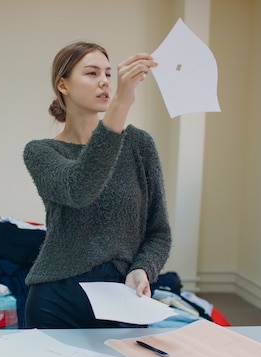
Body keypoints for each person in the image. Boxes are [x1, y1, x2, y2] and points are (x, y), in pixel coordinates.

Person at [23, 41, 172, 329]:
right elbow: (80, 188)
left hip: (124, 298)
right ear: (63, 85)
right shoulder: (40, 152)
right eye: (92, 73)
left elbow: (159, 232)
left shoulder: (139, 145)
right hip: (55, 300)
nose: (104, 81)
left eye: (108, 74)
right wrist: (121, 103)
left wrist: (143, 268)